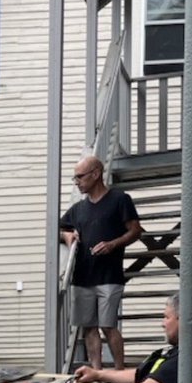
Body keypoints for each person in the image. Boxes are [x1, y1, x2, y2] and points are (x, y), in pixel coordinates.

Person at [60, 155, 143, 369]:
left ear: (96, 174)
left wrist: (113, 244)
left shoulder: (119, 200)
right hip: (82, 277)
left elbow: (135, 231)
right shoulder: (78, 209)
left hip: (109, 276)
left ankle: (119, 370)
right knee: (88, 327)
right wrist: (68, 237)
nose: (76, 182)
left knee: (108, 326)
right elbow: (59, 229)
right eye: (74, 178)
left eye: (79, 176)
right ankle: (96, 372)